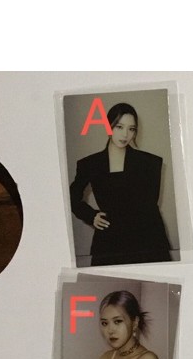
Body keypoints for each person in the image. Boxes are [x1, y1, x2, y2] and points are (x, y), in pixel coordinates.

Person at [69, 102, 171, 266]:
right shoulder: (89, 164)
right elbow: (71, 198)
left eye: (131, 129)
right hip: (109, 241)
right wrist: (90, 215)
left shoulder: (150, 163)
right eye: (119, 127)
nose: (125, 134)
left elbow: (150, 207)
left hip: (146, 241)